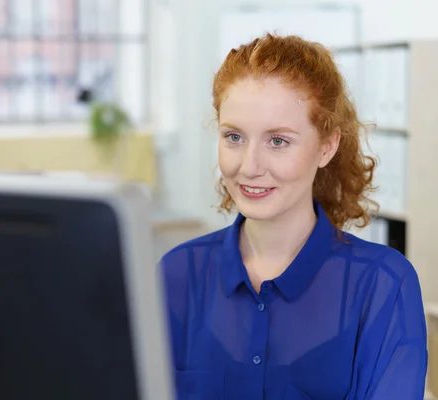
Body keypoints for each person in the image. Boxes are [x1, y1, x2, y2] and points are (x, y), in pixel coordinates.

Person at [159, 33, 428, 400]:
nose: (249, 167)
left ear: (327, 146)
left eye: (278, 141)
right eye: (234, 137)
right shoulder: (175, 275)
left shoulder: (383, 286)